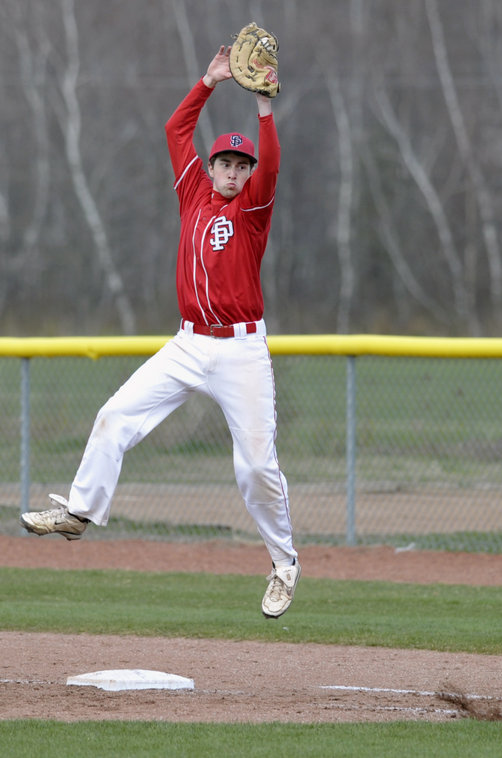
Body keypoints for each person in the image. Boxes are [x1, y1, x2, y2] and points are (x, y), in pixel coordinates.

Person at [20, 46, 301, 619]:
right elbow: (176, 129)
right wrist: (208, 81)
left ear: (247, 175)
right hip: (189, 343)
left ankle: (284, 563)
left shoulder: (253, 209)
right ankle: (79, 513)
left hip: (242, 351)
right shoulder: (193, 192)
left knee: (253, 467)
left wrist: (263, 106)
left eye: (238, 165)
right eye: (223, 162)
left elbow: (270, 158)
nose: (229, 170)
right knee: (114, 416)